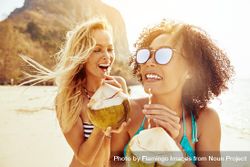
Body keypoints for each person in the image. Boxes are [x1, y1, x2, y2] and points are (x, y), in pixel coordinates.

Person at [111, 20, 234, 167]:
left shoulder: (206, 120)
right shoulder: (129, 111)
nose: (149, 62)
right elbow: (111, 162)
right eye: (146, 54)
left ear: (190, 70)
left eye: (163, 54)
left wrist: (172, 146)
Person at [21, 18, 130, 167]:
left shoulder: (119, 86)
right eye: (97, 50)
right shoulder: (68, 98)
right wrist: (102, 119)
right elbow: (84, 158)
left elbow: (120, 148)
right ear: (83, 55)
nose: (107, 56)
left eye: (110, 49)